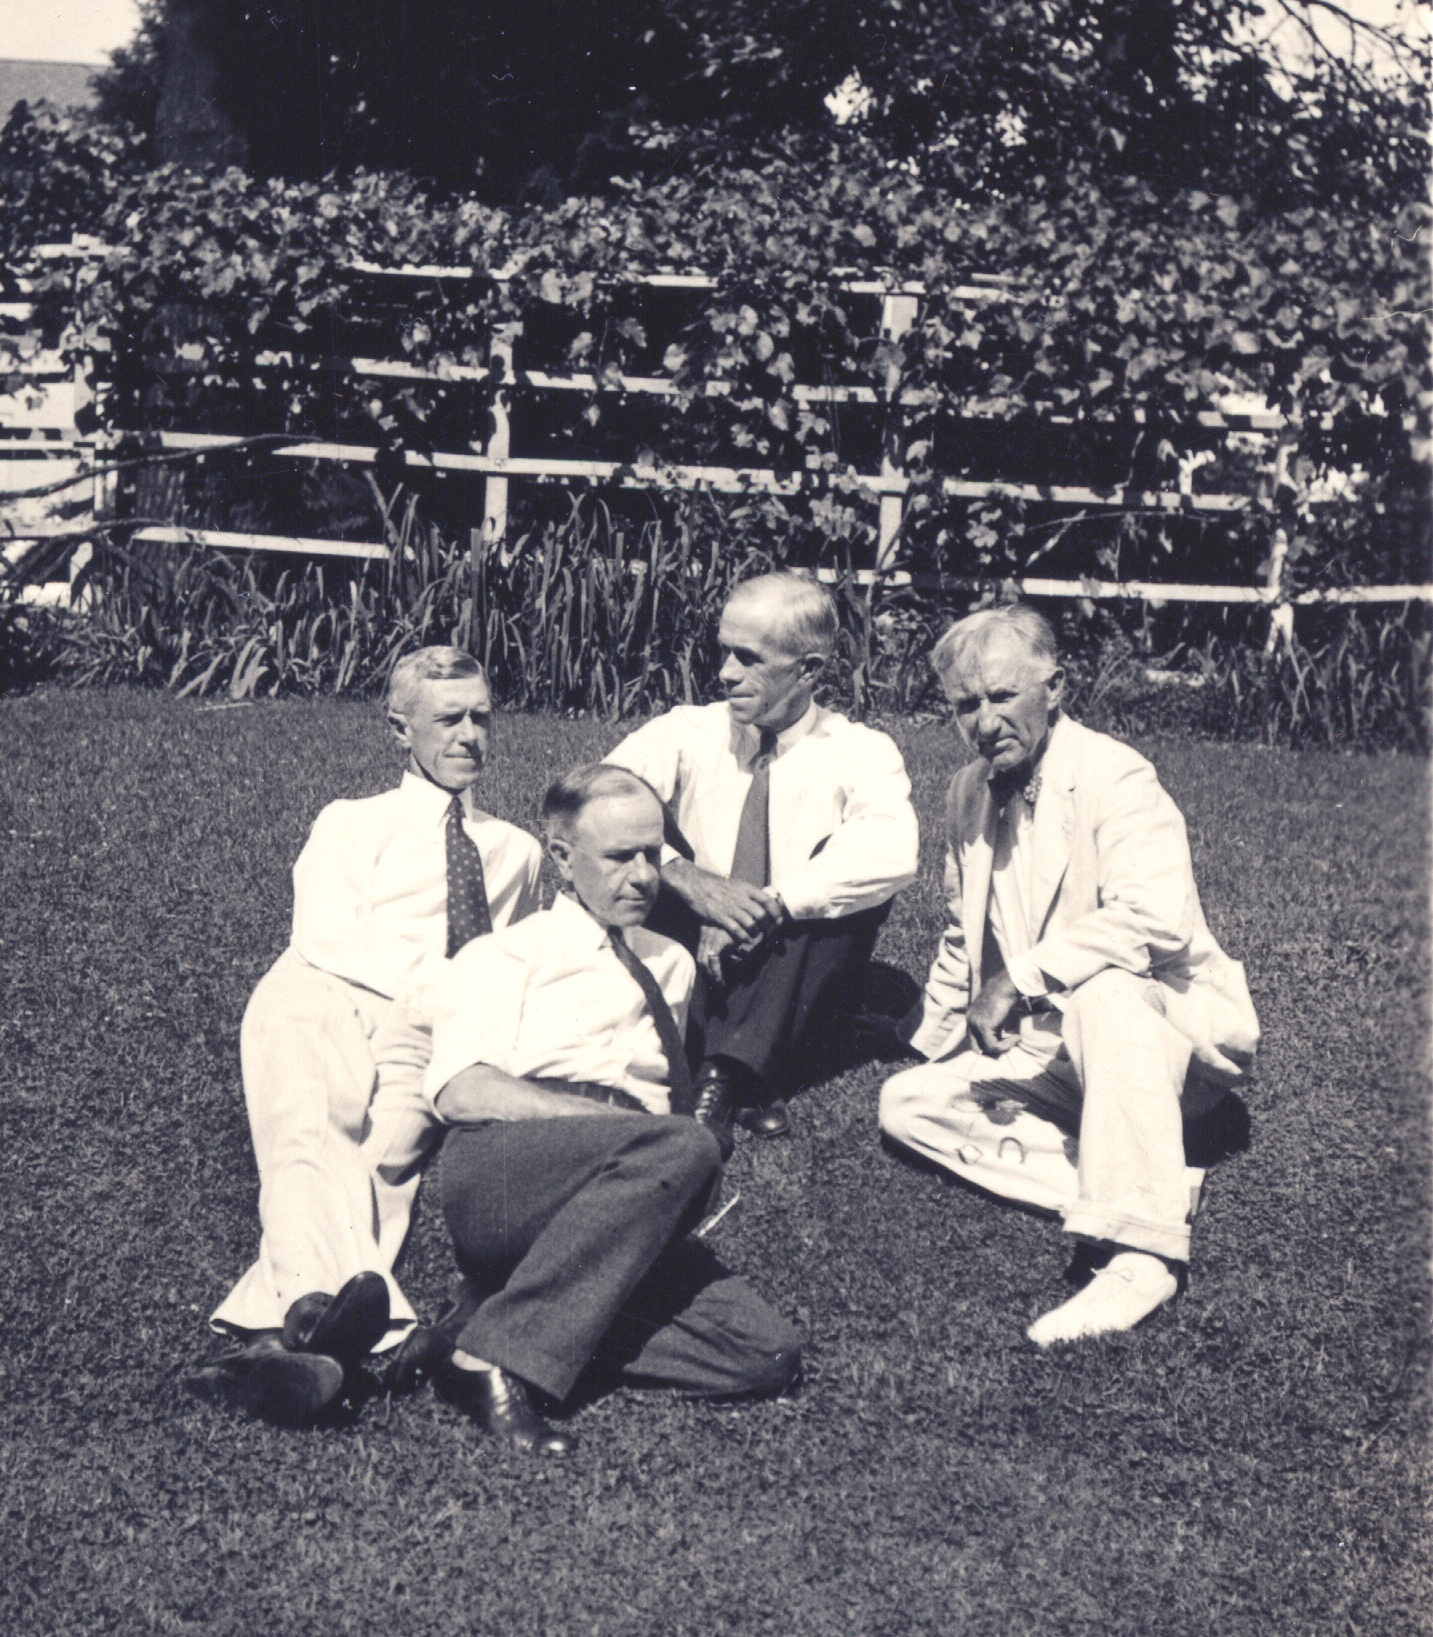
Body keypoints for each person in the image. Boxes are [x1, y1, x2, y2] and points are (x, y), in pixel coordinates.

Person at [879, 606, 1260, 1346]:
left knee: (1103, 989)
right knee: (906, 1104)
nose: (984, 722)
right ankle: (1153, 1184)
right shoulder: (967, 791)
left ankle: (1142, 1258)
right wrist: (926, 1040)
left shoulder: (1117, 775)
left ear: (1055, 688)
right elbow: (963, 931)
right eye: (965, 705)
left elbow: (1155, 921)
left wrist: (1016, 979)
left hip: (1164, 1044)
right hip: (1052, 1052)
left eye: (1002, 696)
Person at [187, 647, 543, 1424]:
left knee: (386, 1158)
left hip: (428, 1026)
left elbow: (504, 962)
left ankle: (275, 1348)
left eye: (481, 716)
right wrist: (442, 987)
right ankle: (316, 1309)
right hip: (325, 991)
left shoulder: (517, 850)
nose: (469, 734)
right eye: (448, 718)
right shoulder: (350, 820)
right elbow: (326, 936)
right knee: (311, 1128)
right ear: (399, 729)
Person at [422, 763, 802, 1454]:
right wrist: (619, 1133)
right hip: (508, 1172)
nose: (643, 876)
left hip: (629, 1189)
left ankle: (492, 1323)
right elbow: (462, 1089)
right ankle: (486, 1361)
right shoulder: (506, 953)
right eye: (619, 856)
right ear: (562, 857)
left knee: (763, 1353)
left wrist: (649, 1150)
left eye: (652, 855)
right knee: (686, 1143)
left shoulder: (671, 963)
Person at [605, 571, 919, 1138]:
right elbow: (594, 797)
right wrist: (686, 878)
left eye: (748, 659)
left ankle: (718, 1074)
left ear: (809, 670)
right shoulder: (687, 730)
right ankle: (750, 1075)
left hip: (787, 954)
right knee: (630, 831)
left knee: (844, 875)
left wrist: (768, 905)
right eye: (725, 651)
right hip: (692, 939)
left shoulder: (861, 750)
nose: (726, 673)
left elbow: (892, 849)